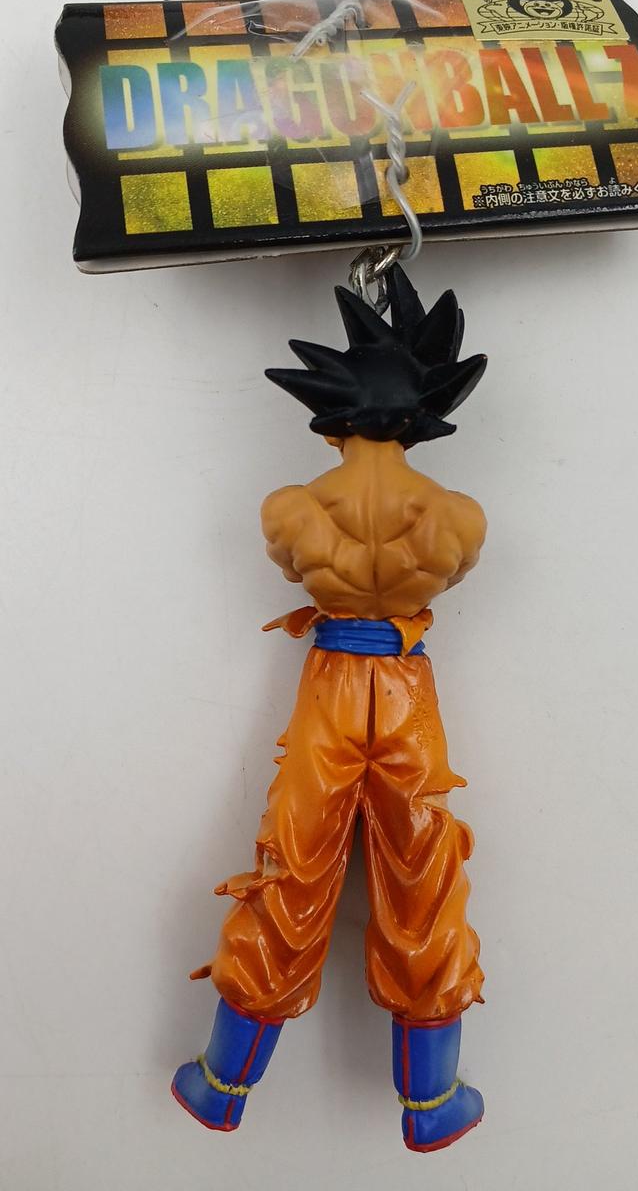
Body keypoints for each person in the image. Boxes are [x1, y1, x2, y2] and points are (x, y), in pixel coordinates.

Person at [172, 266, 489, 1152]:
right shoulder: (457, 517)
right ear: (422, 414)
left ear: (330, 410)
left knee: (294, 868)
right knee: (424, 869)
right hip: (406, 687)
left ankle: (221, 1085)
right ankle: (431, 1099)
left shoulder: (294, 510)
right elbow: (453, 574)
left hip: (331, 684)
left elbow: (292, 569)